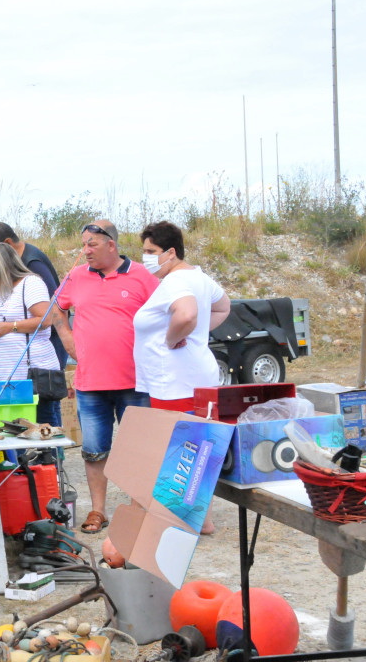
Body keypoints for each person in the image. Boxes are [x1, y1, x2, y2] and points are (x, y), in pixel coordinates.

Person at [54, 220, 159, 533]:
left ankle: (139, 511)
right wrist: (68, 338)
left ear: (111, 245)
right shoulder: (75, 276)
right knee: (94, 451)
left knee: (137, 450)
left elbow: (165, 313)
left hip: (135, 383)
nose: (85, 251)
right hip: (91, 384)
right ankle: (98, 511)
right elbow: (55, 310)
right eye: (83, 245)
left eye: (91, 245)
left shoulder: (142, 275)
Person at [134, 220, 231, 534]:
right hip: (198, 374)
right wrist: (199, 334)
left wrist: (173, 338)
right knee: (201, 446)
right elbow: (223, 307)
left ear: (170, 252)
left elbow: (186, 314)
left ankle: (177, 521)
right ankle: (202, 518)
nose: (146, 257)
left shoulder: (175, 282)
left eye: (151, 251)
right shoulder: (198, 277)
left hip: (173, 379)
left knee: (177, 448)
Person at [0, 222, 67, 427]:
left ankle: (53, 460)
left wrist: (9, 327)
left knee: (43, 429)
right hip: (10, 377)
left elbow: (45, 320)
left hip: (33, 376)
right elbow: (9, 318)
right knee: (17, 430)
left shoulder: (32, 283)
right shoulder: (6, 290)